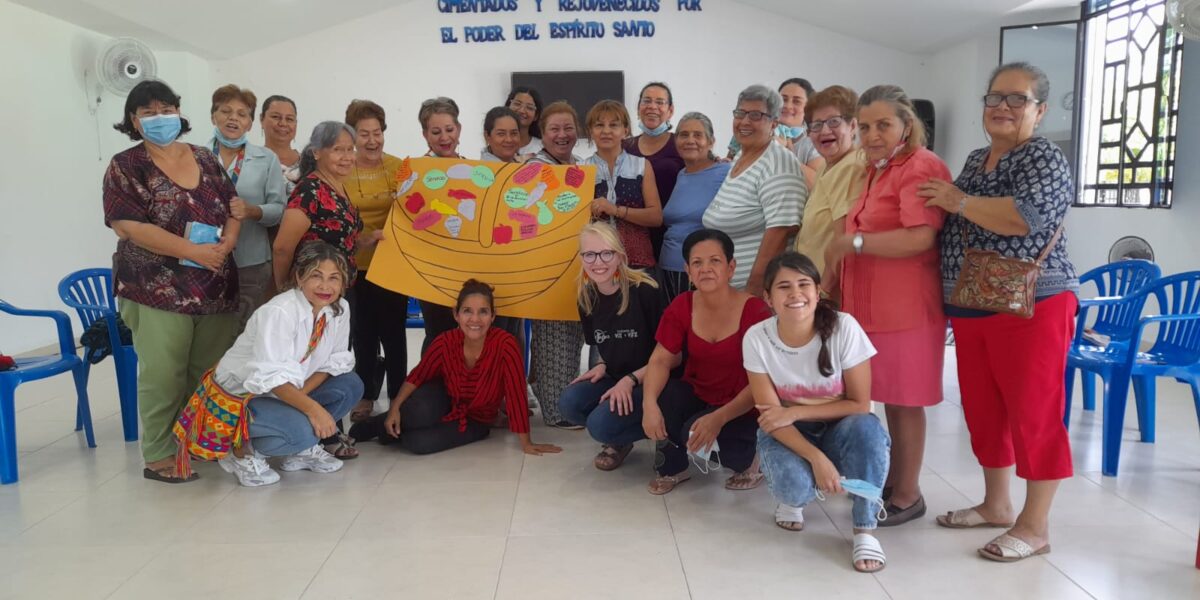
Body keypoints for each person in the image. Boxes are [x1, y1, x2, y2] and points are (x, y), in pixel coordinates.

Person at [918, 62, 1079, 563]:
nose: (1003, 108)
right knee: (983, 410)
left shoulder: (1044, 157)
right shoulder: (975, 157)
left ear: (1040, 109)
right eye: (995, 98)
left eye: (1017, 99)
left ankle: (1034, 526)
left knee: (1034, 411)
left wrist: (957, 200)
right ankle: (996, 503)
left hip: (1033, 305)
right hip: (972, 305)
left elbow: (1021, 219)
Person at [104, 79, 241, 483]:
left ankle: (198, 441)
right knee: (164, 373)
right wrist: (192, 249)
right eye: (148, 113)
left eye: (166, 109)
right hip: (154, 287)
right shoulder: (126, 166)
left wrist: (227, 242)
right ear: (134, 120)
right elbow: (126, 225)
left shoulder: (205, 157)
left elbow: (233, 207)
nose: (159, 118)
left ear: (179, 112)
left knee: (206, 371)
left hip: (214, 284)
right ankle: (161, 453)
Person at [825, 84, 950, 528]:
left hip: (905, 310)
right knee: (873, 398)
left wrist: (855, 242)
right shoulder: (873, 169)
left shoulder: (921, 166)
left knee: (903, 402)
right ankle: (890, 480)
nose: (872, 134)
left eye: (883, 125)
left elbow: (920, 236)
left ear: (906, 125)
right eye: (864, 126)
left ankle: (909, 494)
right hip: (866, 307)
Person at [746, 251, 889, 573]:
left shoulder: (844, 328)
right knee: (794, 489)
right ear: (768, 297)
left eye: (803, 284)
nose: (795, 294)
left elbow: (860, 404)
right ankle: (793, 498)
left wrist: (795, 413)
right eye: (784, 287)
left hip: (843, 428)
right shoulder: (757, 338)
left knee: (867, 428)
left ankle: (865, 529)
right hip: (789, 434)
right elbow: (771, 416)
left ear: (817, 291)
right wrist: (816, 457)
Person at [209, 242, 363, 487]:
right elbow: (271, 378)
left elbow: (333, 361)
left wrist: (302, 402)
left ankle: (298, 449)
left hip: (284, 389)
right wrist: (313, 410)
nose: (326, 286)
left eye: (334, 278)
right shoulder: (279, 311)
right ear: (300, 278)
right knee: (303, 429)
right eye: (316, 276)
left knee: (350, 385)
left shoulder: (339, 308)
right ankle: (238, 449)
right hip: (242, 396)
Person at [353, 280, 563, 456]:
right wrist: (395, 408)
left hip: (476, 419)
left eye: (483, 312)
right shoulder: (446, 341)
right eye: (467, 311)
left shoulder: (505, 345)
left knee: (419, 444)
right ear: (456, 314)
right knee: (418, 411)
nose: (475, 319)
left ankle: (390, 431)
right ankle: (379, 425)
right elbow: (417, 376)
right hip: (443, 397)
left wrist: (526, 442)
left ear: (493, 316)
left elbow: (516, 393)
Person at [641, 229, 773, 495]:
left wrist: (719, 418)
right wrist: (649, 404)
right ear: (687, 270)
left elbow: (764, 383)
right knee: (666, 394)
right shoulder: (682, 304)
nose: (706, 269)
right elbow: (659, 361)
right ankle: (673, 467)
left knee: (692, 432)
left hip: (745, 407)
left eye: (715, 261)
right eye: (697, 263)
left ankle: (752, 460)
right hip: (701, 395)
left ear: (731, 267)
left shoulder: (756, 311)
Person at [559, 223, 668, 470]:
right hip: (619, 376)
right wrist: (601, 365)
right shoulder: (587, 297)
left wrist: (630, 380)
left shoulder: (646, 289)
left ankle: (661, 431)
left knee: (600, 425)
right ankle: (622, 438)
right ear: (581, 258)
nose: (598, 261)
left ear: (620, 256)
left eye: (606, 253)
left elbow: (671, 354)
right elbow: (610, 341)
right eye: (590, 254)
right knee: (569, 402)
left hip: (655, 379)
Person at [340, 99, 409, 432]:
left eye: (377, 132)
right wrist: (364, 238)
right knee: (363, 332)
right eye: (363, 134)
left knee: (395, 332)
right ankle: (366, 394)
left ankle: (399, 395)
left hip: (394, 263)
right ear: (352, 136)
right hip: (355, 262)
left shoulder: (400, 167)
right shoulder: (342, 168)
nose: (371, 140)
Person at [703, 84, 808, 295]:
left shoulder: (778, 164)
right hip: (727, 292)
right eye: (740, 113)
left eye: (755, 115)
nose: (744, 121)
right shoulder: (742, 157)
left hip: (751, 294)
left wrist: (751, 298)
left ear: (774, 123)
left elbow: (780, 232)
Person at [525, 101, 588, 428]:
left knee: (571, 340)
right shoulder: (533, 168)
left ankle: (560, 400)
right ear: (542, 133)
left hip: (578, 267)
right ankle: (555, 411)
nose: (562, 135)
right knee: (554, 340)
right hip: (546, 270)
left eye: (568, 128)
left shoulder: (579, 166)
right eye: (554, 129)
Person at [208, 84, 287, 325]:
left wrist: (252, 210)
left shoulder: (266, 159)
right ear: (213, 116)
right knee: (210, 335)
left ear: (251, 124)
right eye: (225, 111)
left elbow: (278, 209)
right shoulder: (196, 156)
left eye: (242, 114)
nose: (233, 118)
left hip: (250, 262)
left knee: (246, 334)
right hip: (204, 259)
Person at [273, 122, 377, 291]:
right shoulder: (309, 191)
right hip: (313, 292)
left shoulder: (338, 186)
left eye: (350, 149)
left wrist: (367, 239)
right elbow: (282, 249)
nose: (347, 157)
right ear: (316, 152)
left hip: (337, 290)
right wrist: (284, 289)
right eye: (337, 149)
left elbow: (340, 241)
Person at [793, 85, 866, 290]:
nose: (824, 131)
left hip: (828, 293)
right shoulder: (827, 165)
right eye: (816, 125)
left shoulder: (850, 166)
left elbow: (843, 241)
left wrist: (822, 295)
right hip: (809, 285)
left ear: (852, 126)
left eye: (834, 122)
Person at [658, 112, 730, 300]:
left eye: (698, 135)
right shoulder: (681, 174)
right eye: (684, 134)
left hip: (701, 273)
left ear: (711, 141)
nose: (690, 140)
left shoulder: (725, 172)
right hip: (667, 269)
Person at [584, 100, 662, 269]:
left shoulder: (641, 166)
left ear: (625, 130)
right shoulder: (582, 170)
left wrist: (615, 210)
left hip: (638, 260)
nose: (606, 131)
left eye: (614, 125)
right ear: (590, 131)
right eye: (599, 125)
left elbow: (656, 217)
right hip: (598, 264)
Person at [415, 97, 466, 353]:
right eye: (436, 132)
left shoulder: (475, 169)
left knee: (469, 332)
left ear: (459, 129)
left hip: (469, 266)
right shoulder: (416, 173)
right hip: (432, 269)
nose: (444, 137)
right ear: (425, 134)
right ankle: (432, 389)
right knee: (438, 334)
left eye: (449, 129)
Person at [623, 82, 686, 257]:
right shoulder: (625, 147)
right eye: (647, 101)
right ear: (638, 108)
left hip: (672, 239)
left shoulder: (681, 145)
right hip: (632, 239)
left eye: (660, 102)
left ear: (670, 110)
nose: (652, 106)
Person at [729, 78, 823, 180]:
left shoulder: (813, 144)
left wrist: (783, 153)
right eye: (783, 99)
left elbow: (817, 185)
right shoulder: (753, 130)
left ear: (808, 107)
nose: (787, 105)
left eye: (796, 101)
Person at [260, 95, 301, 193]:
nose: (283, 123)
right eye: (276, 117)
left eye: (289, 119)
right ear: (261, 119)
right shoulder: (249, 162)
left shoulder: (310, 165)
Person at [506, 86, 543, 161]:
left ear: (536, 116)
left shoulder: (542, 148)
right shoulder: (497, 142)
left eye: (529, 107)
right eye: (517, 104)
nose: (522, 111)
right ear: (508, 106)